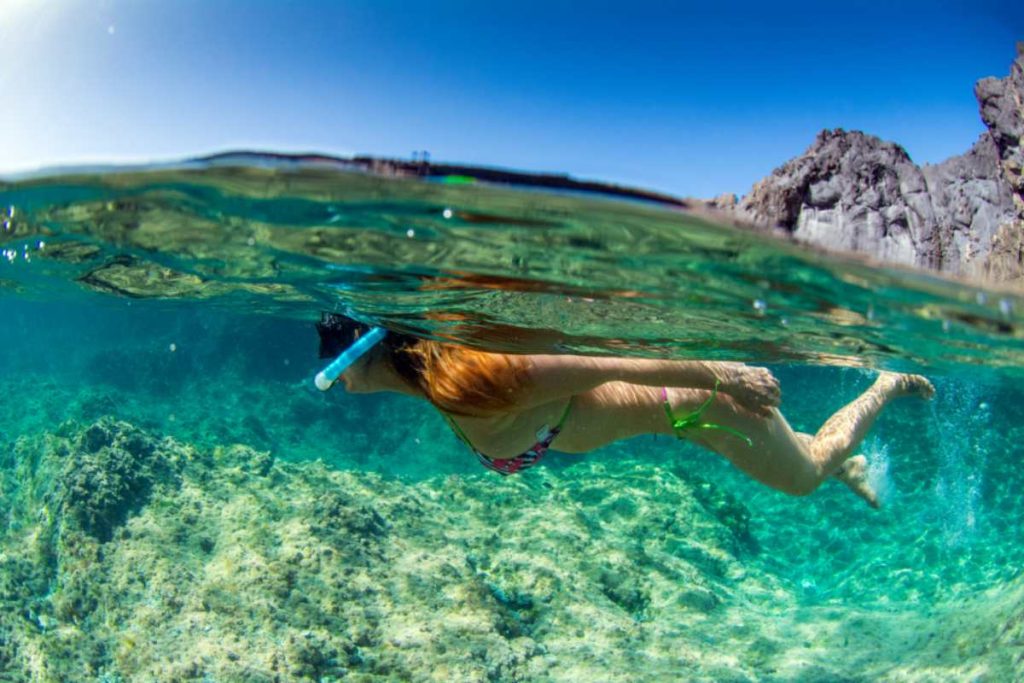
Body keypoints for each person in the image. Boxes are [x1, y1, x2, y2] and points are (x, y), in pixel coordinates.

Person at [315, 313, 934, 508]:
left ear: (364, 355)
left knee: (804, 477)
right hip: (682, 414)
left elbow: (609, 366)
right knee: (798, 457)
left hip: (699, 405)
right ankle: (842, 465)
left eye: (334, 368)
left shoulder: (473, 383)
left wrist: (726, 375)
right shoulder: (434, 369)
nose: (336, 383)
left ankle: (880, 388)